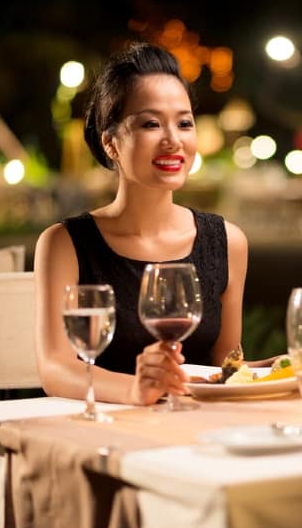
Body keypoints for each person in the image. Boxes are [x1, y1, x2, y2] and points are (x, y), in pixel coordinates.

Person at [34, 42, 248, 406]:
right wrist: (136, 391)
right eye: (151, 124)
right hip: (105, 432)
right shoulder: (65, 244)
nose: (173, 140)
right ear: (111, 144)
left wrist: (289, 366)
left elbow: (226, 368)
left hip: (199, 435)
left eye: (184, 123)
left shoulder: (227, 241)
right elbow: (55, 368)